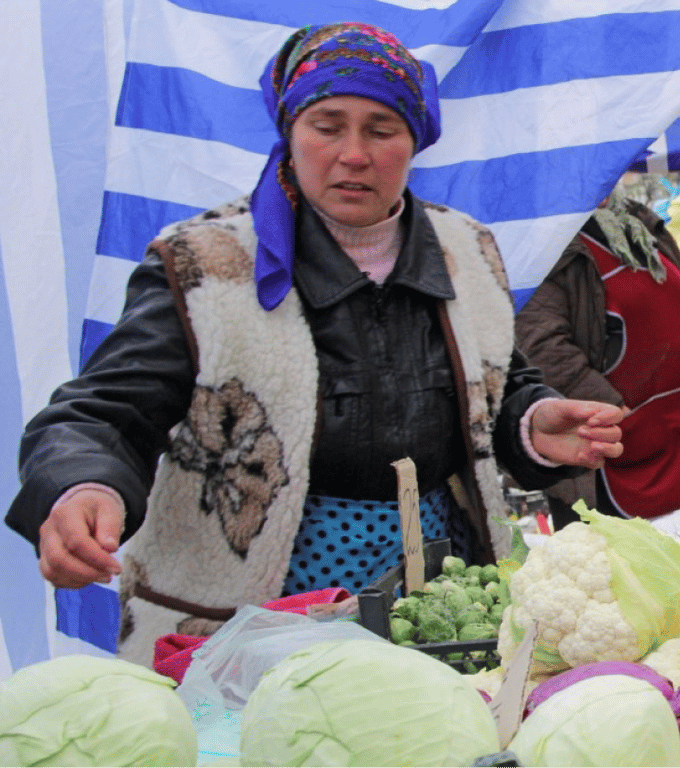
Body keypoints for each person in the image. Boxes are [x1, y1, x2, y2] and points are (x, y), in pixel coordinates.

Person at [4, 22, 626, 666]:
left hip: (434, 607)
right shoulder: (205, 263)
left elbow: (494, 385)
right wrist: (83, 487)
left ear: (414, 142)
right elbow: (103, 413)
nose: (353, 154)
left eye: (381, 130)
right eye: (328, 125)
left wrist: (533, 420)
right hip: (242, 617)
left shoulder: (467, 251)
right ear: (291, 132)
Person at [515, 188, 680, 529]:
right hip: (610, 445)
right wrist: (620, 415)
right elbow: (542, 347)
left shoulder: (642, 223)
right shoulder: (547, 241)